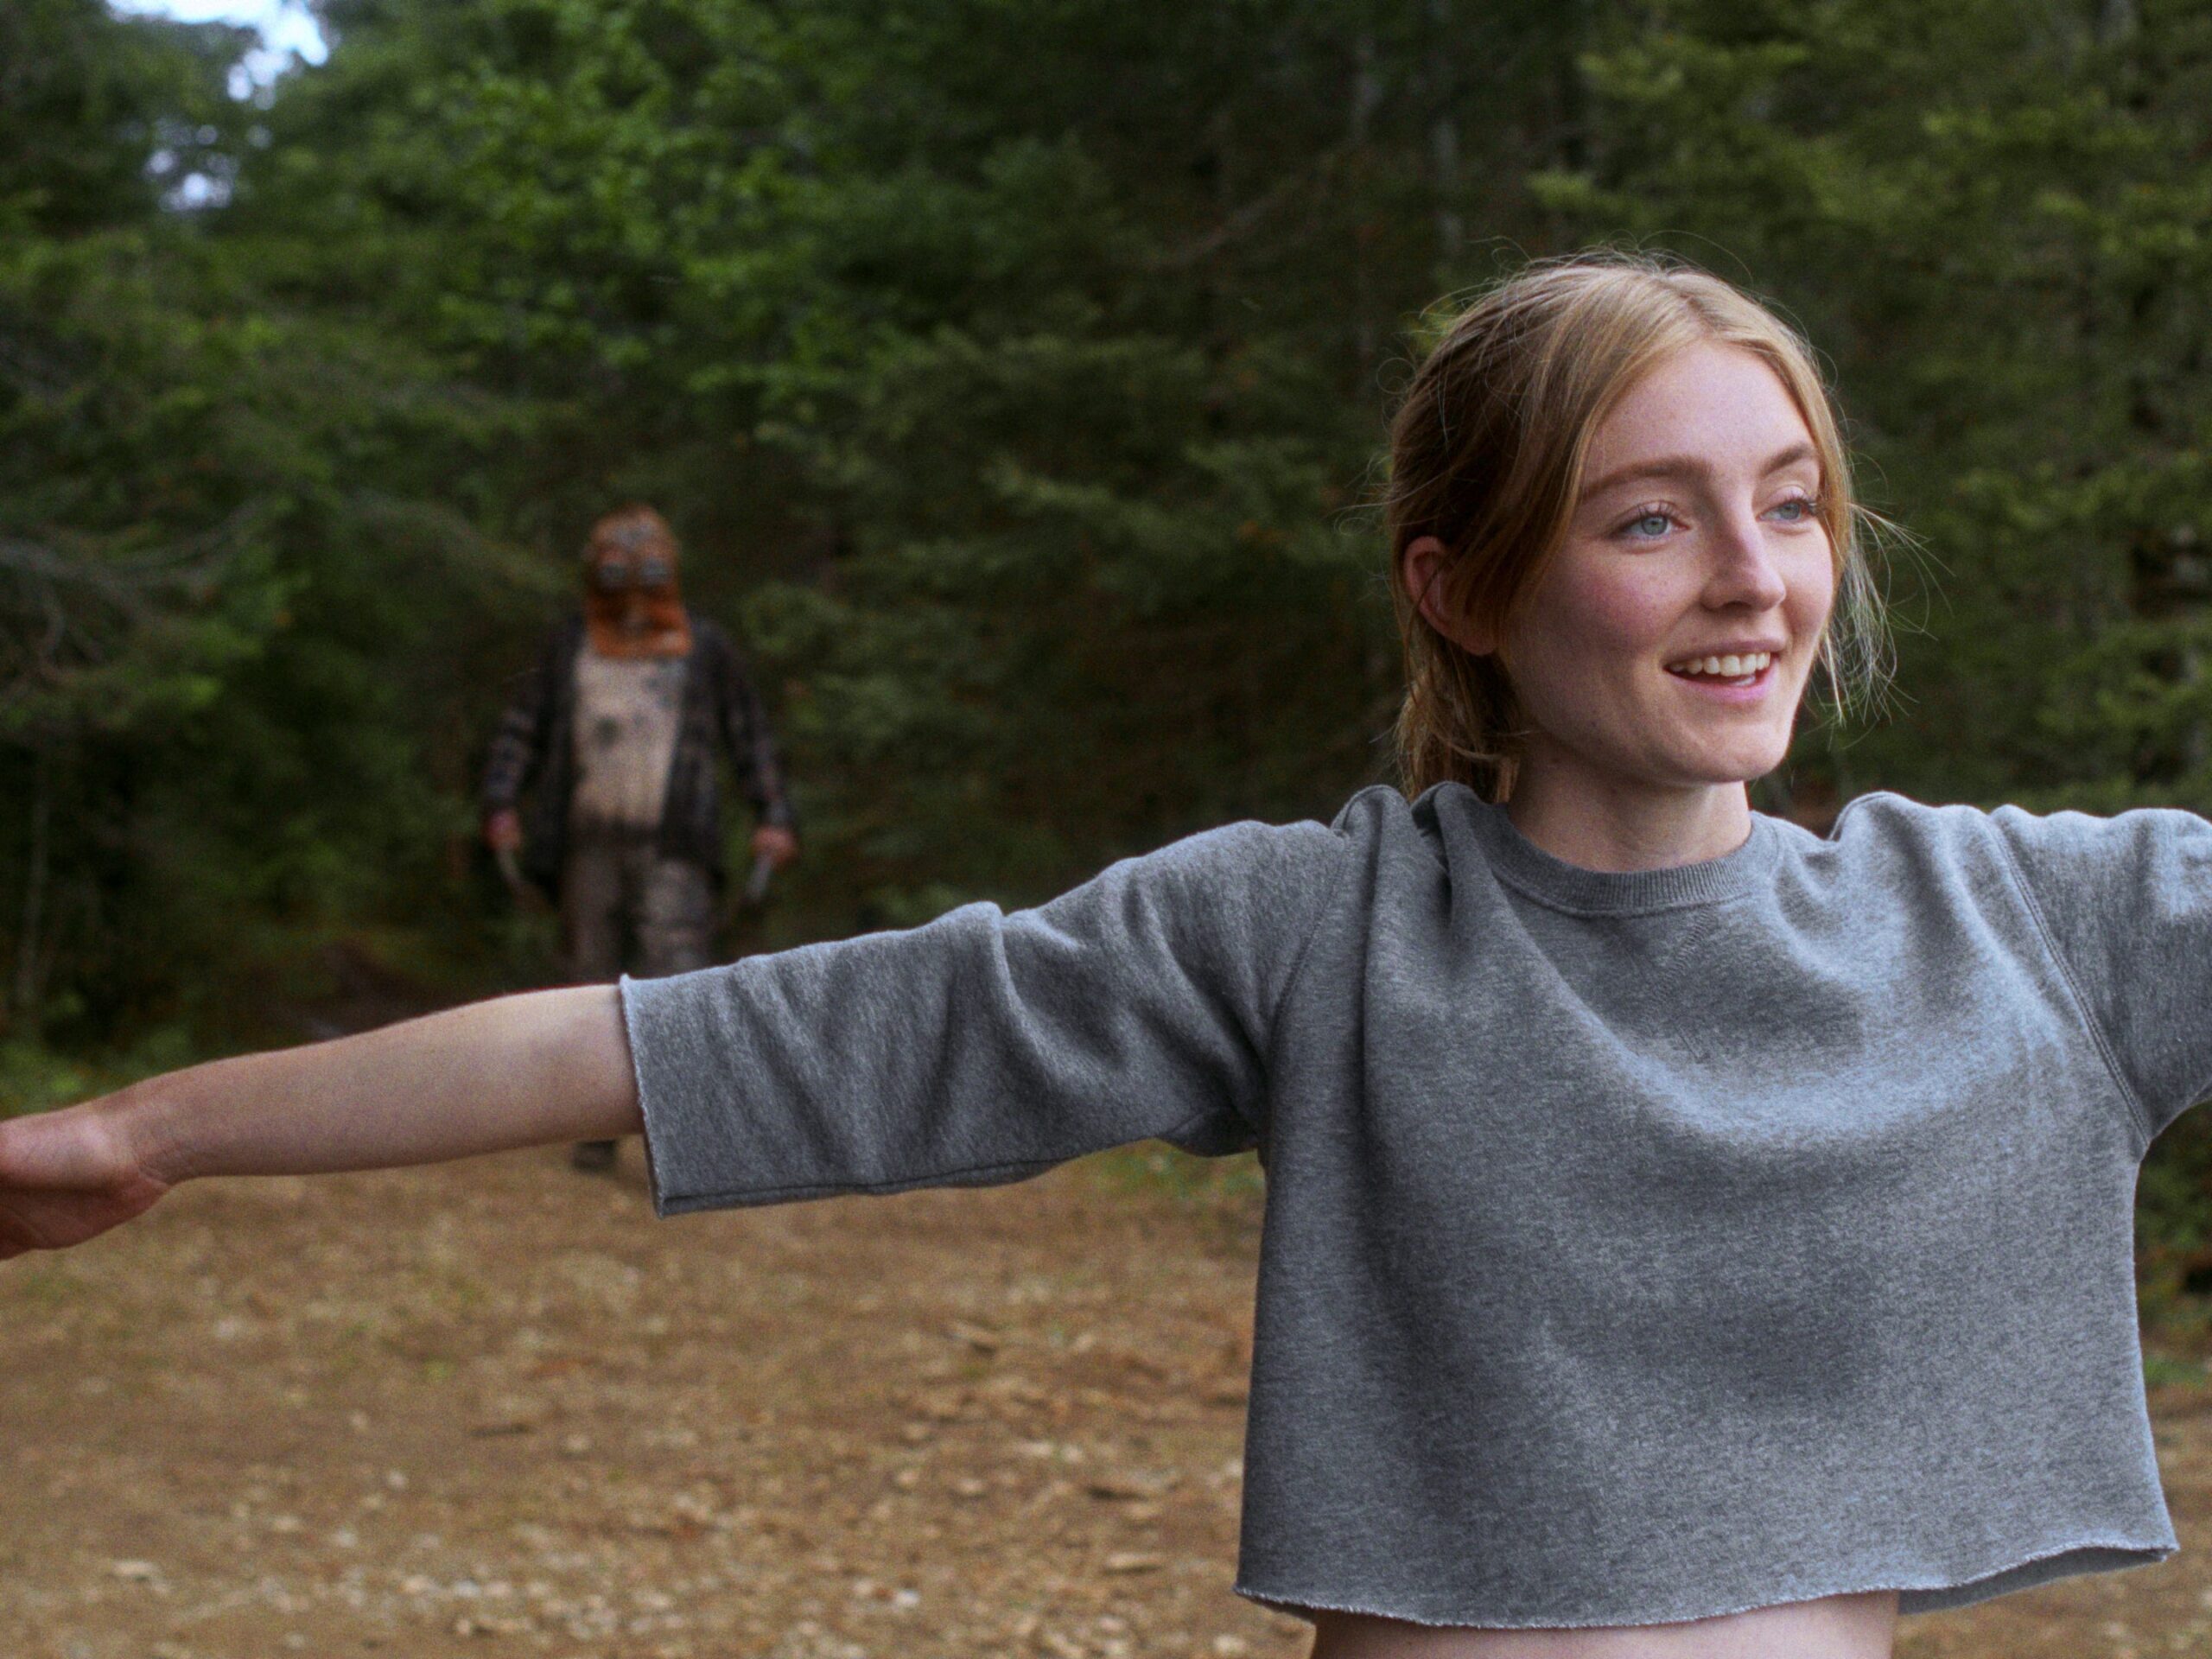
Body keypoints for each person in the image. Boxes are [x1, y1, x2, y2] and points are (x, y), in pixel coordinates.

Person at [3, 251, 2204, 1659]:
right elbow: (683, 1039)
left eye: (1789, 499)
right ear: (1458, 582)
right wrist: (145, 1128)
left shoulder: (2019, 922)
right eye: (1650, 516)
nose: (1754, 578)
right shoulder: (1313, 934)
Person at [479, 503, 798, 1171]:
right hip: (587, 842)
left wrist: (773, 814)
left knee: (676, 985)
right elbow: (523, 728)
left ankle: (683, 1140)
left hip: (674, 846)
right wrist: (501, 800)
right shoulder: (569, 645)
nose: (632, 588)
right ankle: (595, 1129)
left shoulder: (704, 650)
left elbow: (750, 738)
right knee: (589, 988)